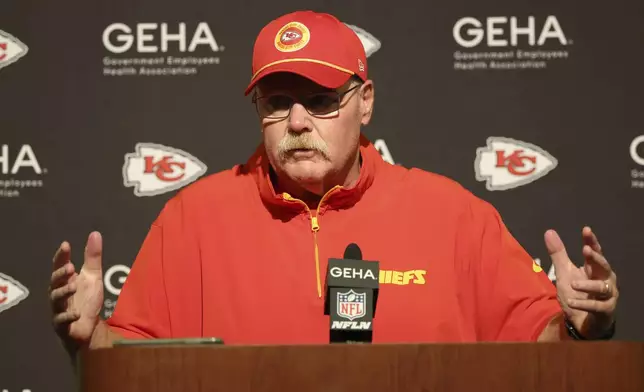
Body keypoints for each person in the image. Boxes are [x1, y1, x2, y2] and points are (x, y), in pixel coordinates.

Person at [49, 10, 618, 362]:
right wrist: (91, 337)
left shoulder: (453, 215)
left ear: (364, 102)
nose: (298, 122)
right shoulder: (191, 219)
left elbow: (541, 354)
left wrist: (580, 324)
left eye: (320, 101)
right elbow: (132, 368)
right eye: (277, 103)